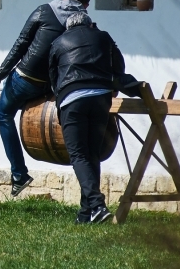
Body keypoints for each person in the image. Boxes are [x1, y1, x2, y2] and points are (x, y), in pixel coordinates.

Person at [0, 0, 93, 196]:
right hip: (52, 86)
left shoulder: (45, 10)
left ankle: (19, 173)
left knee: (3, 113)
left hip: (25, 79)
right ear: (86, 5)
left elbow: (21, 44)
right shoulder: (84, 24)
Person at [48, 11, 125, 224]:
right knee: (92, 154)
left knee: (79, 155)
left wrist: (59, 97)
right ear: (89, 25)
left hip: (73, 100)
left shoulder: (58, 42)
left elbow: (53, 77)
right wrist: (114, 88)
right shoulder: (104, 36)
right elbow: (118, 63)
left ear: (69, 27)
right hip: (101, 99)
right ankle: (86, 213)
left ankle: (97, 205)